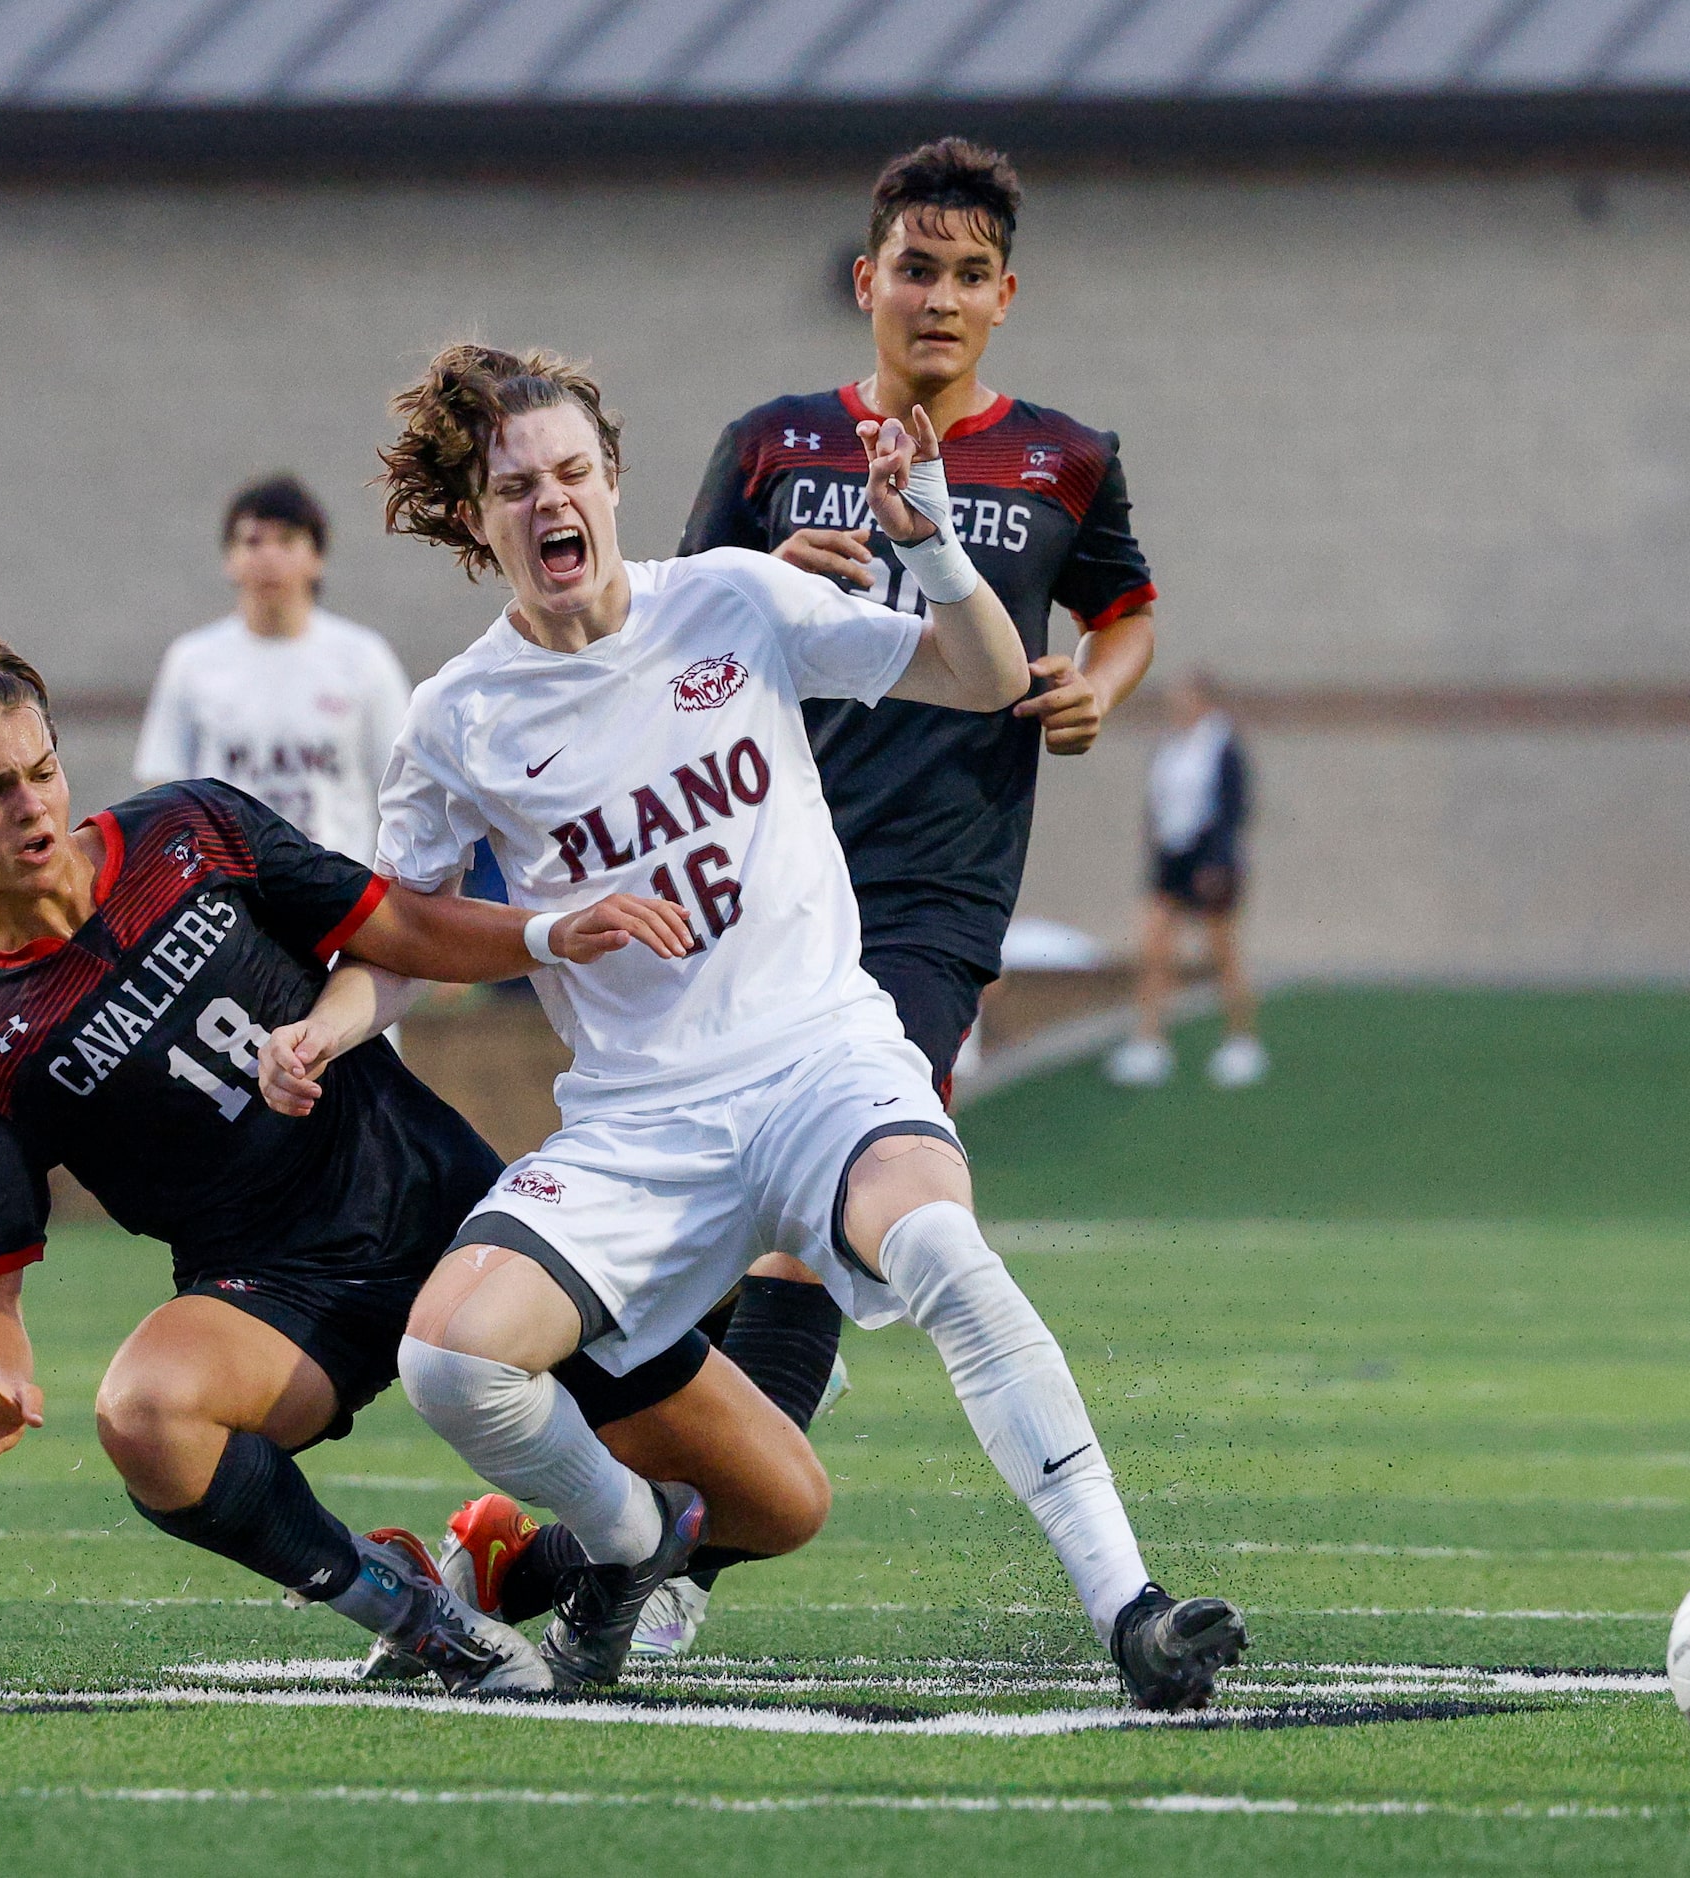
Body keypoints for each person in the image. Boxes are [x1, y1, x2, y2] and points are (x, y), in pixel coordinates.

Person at [263, 342, 1243, 1708]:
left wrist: (935, 542)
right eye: (512, 487)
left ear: (612, 479)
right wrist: (328, 1025)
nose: (550, 503)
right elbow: (407, 936)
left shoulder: (729, 595)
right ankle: (619, 1550)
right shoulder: (456, 718)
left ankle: (1131, 1606)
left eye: (569, 473)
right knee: (446, 1358)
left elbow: (980, 677)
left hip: (817, 1061)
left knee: (944, 1243)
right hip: (636, 1126)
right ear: (476, 521)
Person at [0, 635, 826, 1697]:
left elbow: (396, 924)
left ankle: (514, 1563)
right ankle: (413, 1612)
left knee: (776, 1506)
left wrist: (548, 932)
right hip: (279, 1296)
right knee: (145, 1418)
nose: (33, 807)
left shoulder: (189, 829)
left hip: (446, 1212)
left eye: (41, 772)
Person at [665, 135, 1161, 1649]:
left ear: (1005, 295)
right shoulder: (770, 446)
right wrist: (766, 589)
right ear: (866, 279)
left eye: (966, 276)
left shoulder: (1064, 455)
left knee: (818, 1224)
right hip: (758, 880)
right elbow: (664, 656)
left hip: (935, 902)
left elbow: (1124, 603)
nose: (936, 298)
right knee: (697, 1237)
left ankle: (673, 1576)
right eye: (913, 270)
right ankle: (606, 1548)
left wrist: (1099, 689)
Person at [135, 475, 412, 865]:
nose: (269, 557)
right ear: (229, 559)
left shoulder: (364, 659)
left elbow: (405, 785)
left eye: (286, 541)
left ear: (317, 558)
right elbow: (161, 788)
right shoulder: (192, 661)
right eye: (252, 541)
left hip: (340, 889)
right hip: (233, 895)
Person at [1106, 672, 1264, 1090]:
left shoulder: (1223, 746)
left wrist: (1217, 863)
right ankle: (1149, 1041)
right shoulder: (1170, 745)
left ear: (1205, 701)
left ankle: (1240, 1040)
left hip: (1209, 860)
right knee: (1155, 948)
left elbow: (1234, 808)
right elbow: (1157, 806)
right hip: (1170, 860)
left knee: (1220, 951)